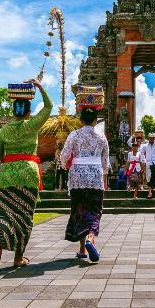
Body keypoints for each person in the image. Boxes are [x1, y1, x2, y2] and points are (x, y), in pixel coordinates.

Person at [0, 79, 52, 276]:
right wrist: (40, 87)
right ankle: (17, 257)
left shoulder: (5, 129)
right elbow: (49, 106)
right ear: (29, 112)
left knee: (4, 215)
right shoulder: (32, 125)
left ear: (13, 111)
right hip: (28, 175)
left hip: (6, 176)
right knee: (24, 217)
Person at [60, 85, 110, 263]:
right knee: (94, 211)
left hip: (77, 177)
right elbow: (105, 162)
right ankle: (89, 240)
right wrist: (104, 178)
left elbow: (64, 155)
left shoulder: (74, 135)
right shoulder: (101, 136)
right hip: (95, 176)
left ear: (81, 119)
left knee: (80, 210)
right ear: (96, 120)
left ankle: (82, 249)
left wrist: (67, 167)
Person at [139, 133, 155, 199]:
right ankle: (150, 192)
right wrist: (143, 161)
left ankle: (151, 189)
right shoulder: (145, 146)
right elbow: (141, 154)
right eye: (150, 138)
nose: (152, 139)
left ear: (154, 138)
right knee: (148, 177)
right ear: (148, 138)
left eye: (153, 138)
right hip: (148, 163)